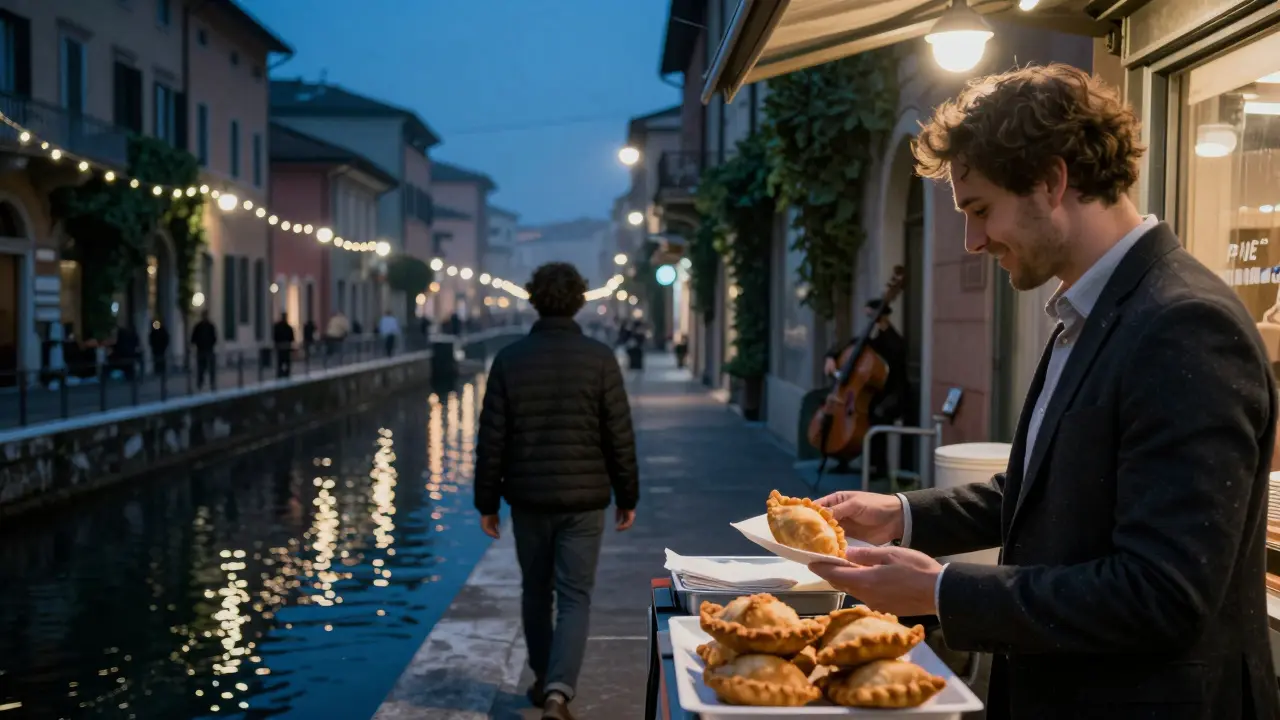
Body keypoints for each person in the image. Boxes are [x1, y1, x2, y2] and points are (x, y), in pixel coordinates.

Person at [806, 64, 1278, 720]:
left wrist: (940, 590)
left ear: (1053, 181)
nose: (972, 241)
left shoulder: (1183, 325)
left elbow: (1161, 595)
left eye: (980, 210)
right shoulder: (1093, 310)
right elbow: (1048, 492)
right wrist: (902, 515)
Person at [475, 262, 639, 720]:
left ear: (533, 300)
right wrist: (628, 495)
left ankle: (543, 678)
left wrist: (486, 502)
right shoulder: (600, 358)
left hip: (528, 499)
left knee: (535, 590)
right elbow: (618, 435)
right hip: (585, 501)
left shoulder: (509, 360)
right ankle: (558, 694)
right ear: (580, 302)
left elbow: (492, 440)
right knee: (574, 596)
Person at [821, 299, 909, 477]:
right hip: (867, 394)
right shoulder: (870, 342)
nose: (870, 319)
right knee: (842, 412)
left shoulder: (892, 341)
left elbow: (897, 351)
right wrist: (830, 356)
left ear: (881, 316)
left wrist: (882, 322)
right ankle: (841, 458)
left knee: (877, 414)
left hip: (891, 395)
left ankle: (879, 468)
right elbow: (848, 346)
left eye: (872, 315)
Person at [190, 311, 217, 390]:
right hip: (202, 350)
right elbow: (193, 338)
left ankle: (210, 383)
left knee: (208, 368)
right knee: (201, 368)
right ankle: (201, 383)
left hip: (207, 349)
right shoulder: (200, 326)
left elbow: (214, 337)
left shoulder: (209, 326)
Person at [272, 313, 294, 378]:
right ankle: (286, 375)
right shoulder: (288, 328)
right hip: (286, 348)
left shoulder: (277, 327)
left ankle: (280, 375)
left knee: (280, 362)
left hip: (280, 348)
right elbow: (292, 338)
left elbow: (275, 337)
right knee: (286, 363)